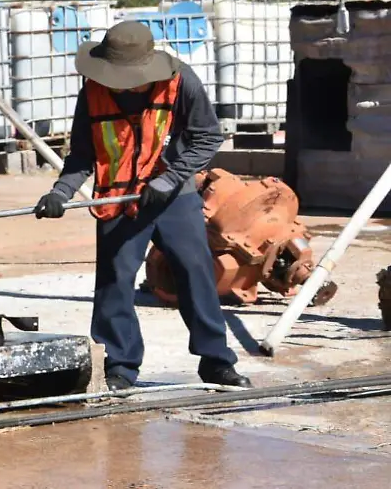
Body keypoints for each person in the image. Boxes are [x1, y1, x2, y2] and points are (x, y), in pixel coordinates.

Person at [33, 20, 251, 390]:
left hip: (173, 196)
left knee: (196, 272)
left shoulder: (182, 83)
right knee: (114, 283)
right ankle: (119, 365)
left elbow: (207, 136)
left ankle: (216, 361)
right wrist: (60, 192)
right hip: (118, 198)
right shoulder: (93, 94)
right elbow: (82, 155)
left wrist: (168, 179)